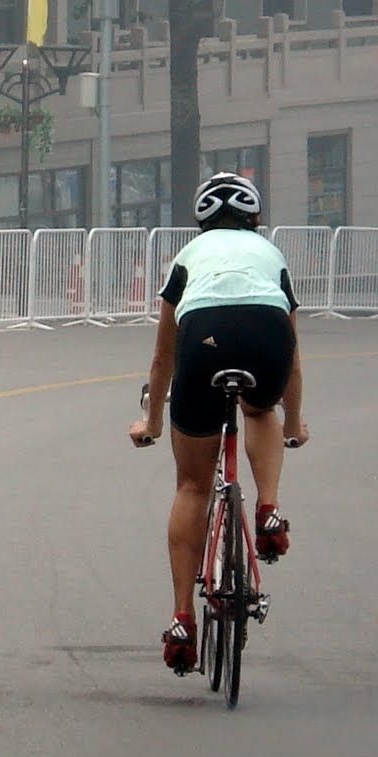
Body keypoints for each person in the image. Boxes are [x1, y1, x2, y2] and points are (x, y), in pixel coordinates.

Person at [128, 172, 307, 674]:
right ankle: (268, 509)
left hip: (203, 338)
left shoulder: (187, 257)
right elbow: (293, 362)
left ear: (201, 221)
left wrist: (151, 422)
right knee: (260, 410)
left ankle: (183, 620)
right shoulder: (271, 255)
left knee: (192, 486)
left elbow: (163, 358)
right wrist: (295, 424)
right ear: (254, 218)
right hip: (267, 336)